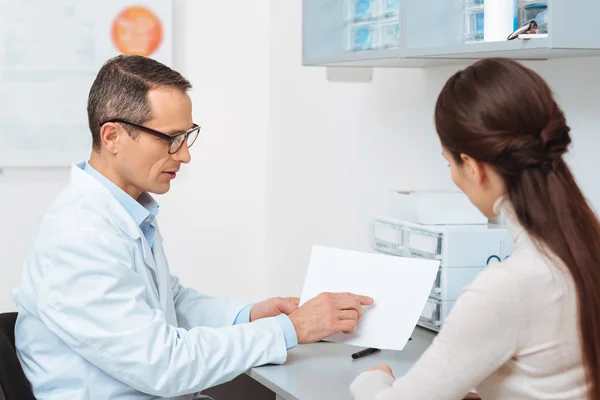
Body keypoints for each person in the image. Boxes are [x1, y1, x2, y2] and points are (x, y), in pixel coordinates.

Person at [12, 55, 373, 400]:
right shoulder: (81, 237)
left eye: (187, 136)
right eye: (170, 138)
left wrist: (246, 315)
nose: (184, 155)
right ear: (112, 137)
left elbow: (169, 300)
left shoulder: (124, 212)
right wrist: (291, 329)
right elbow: (164, 365)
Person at [350, 57, 600, 399]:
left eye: (448, 161)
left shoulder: (509, 286)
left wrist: (373, 380)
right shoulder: (585, 245)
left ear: (471, 166)